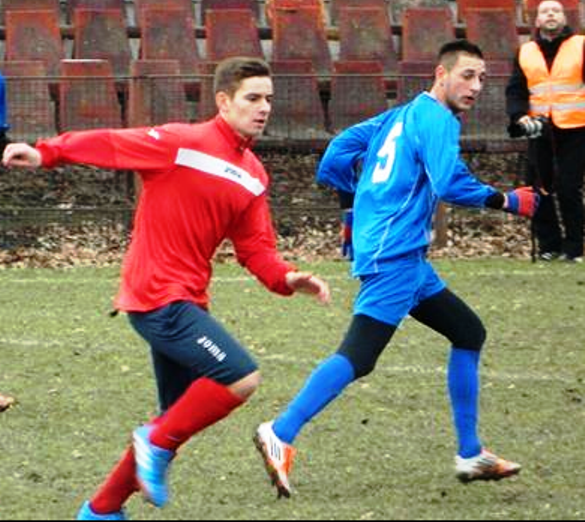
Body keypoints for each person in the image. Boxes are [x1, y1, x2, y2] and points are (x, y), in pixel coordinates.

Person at [2, 57, 331, 520]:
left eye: (269, 99)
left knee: (174, 420)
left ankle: (101, 510)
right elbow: (112, 143)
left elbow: (256, 249)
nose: (264, 108)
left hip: (187, 298)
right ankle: (150, 446)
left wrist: (286, 277)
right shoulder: (182, 143)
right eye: (253, 98)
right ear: (224, 102)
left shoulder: (254, 174)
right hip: (156, 294)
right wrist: (48, 153)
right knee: (240, 377)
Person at [254, 40, 539, 499]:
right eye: (467, 75)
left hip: (402, 256)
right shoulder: (438, 119)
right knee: (360, 354)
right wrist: (507, 200)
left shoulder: (398, 116)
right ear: (441, 74)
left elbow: (336, 155)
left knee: (468, 331)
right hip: (395, 255)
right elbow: (448, 181)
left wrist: (355, 207)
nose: (475, 86)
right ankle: (280, 431)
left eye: (482, 78)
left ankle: (470, 453)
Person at [506, 0, 585, 263]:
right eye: (545, 11)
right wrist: (519, 116)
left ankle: (574, 248)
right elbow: (516, 90)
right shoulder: (525, 51)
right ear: (537, 20)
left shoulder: (581, 45)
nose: (551, 14)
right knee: (539, 187)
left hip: (576, 128)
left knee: (568, 187)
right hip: (539, 129)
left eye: (556, 10)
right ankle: (549, 246)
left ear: (564, 18)